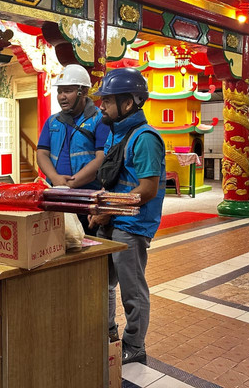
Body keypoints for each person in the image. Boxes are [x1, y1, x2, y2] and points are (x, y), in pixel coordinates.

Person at [88, 68, 166, 365]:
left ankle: (135, 345)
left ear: (129, 103)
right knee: (103, 283)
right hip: (112, 220)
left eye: (107, 100)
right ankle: (109, 333)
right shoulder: (116, 134)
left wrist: (108, 210)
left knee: (132, 290)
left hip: (131, 226)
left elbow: (146, 190)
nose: (102, 106)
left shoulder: (145, 138)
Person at [37, 63, 110, 235]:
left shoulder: (100, 120)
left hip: (88, 197)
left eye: (67, 91)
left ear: (83, 92)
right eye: (59, 91)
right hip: (58, 195)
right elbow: (42, 153)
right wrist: (56, 179)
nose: (62, 96)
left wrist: (72, 183)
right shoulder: (52, 121)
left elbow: (102, 158)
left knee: (87, 244)